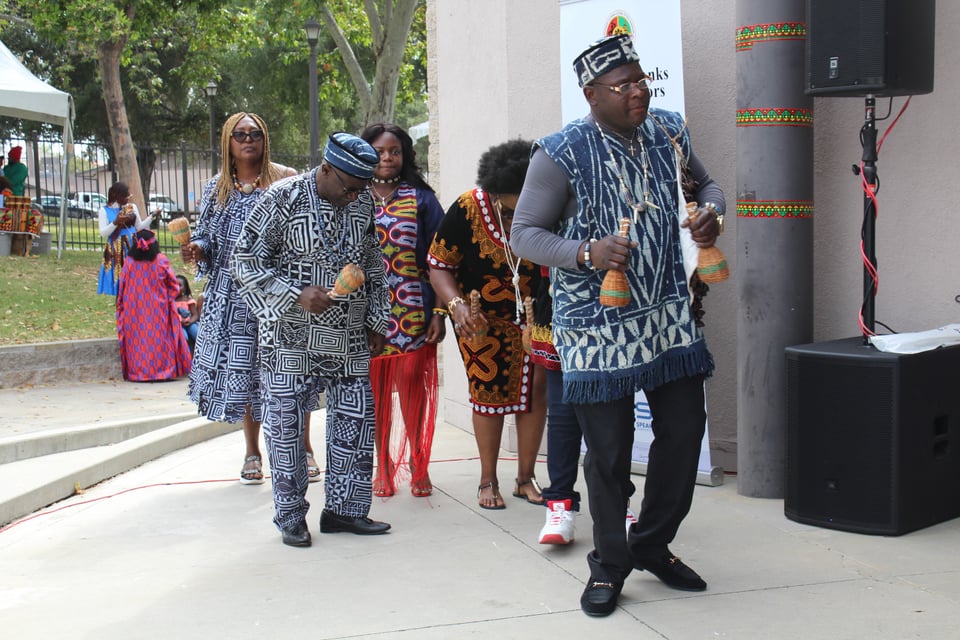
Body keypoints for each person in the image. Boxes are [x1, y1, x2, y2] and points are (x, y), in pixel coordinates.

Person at [510, 34, 726, 617]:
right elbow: (524, 234)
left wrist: (712, 214)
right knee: (608, 454)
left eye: (640, 81)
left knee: (684, 433)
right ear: (592, 94)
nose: (638, 93)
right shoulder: (560, 152)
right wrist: (586, 252)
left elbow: (708, 187)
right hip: (596, 327)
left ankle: (651, 543)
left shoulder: (668, 131)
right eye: (623, 85)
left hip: (668, 318)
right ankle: (609, 565)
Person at [232, 132, 392, 547]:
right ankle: (290, 517)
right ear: (325, 169)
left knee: (356, 422)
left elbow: (373, 262)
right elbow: (244, 261)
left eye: (362, 189)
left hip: (348, 334)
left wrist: (377, 319)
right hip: (290, 336)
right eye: (349, 188)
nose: (355, 196)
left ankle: (345, 511)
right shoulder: (281, 199)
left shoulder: (361, 202)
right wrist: (294, 293)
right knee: (286, 425)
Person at [181, 112, 321, 485]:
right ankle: (252, 452)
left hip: (279, 292)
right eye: (240, 134)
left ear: (265, 138)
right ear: (228, 141)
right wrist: (196, 248)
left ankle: (304, 448)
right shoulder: (216, 189)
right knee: (245, 373)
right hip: (233, 296)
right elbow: (206, 236)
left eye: (255, 134)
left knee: (294, 371)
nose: (248, 140)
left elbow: (303, 235)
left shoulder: (286, 180)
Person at [428, 139, 546, 511]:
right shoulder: (467, 207)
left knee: (536, 391)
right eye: (508, 210)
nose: (515, 218)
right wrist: (456, 306)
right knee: (488, 391)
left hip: (537, 316)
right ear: (494, 195)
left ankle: (525, 478)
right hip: (478, 318)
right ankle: (488, 478)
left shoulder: (549, 204)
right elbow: (439, 264)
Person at [359, 123, 446, 498]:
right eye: (379, 151)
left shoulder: (422, 199)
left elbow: (443, 260)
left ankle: (418, 461)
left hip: (412, 307)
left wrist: (440, 312)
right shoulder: (352, 195)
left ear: (404, 155)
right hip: (366, 312)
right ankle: (383, 466)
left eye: (394, 151)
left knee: (411, 384)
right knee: (376, 390)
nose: (387, 158)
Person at [116, 229, 192, 382]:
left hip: (133, 310)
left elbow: (121, 287)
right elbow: (174, 286)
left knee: (137, 341)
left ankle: (138, 373)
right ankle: (161, 372)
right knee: (159, 340)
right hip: (158, 310)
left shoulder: (129, 262)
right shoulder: (161, 260)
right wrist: (165, 299)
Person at [98, 182, 155, 296]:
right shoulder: (104, 211)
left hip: (133, 246)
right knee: (120, 279)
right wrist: (115, 223)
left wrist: (152, 216)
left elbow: (139, 227)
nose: (128, 199)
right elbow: (103, 233)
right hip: (117, 249)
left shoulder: (132, 207)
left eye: (129, 196)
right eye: (125, 196)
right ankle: (120, 300)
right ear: (116, 196)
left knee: (135, 277)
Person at [175, 274, 200, 352]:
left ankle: (200, 352)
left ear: (185, 288)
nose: (176, 287)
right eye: (174, 284)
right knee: (184, 337)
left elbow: (195, 315)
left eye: (180, 285)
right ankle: (187, 355)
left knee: (197, 333)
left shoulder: (188, 300)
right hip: (177, 325)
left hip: (190, 323)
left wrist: (190, 321)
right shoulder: (170, 301)